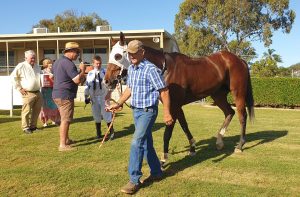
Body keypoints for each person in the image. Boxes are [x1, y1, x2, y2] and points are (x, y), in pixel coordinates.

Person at [107, 40, 174, 194]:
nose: (131, 56)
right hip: (136, 111)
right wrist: (118, 103)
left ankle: (134, 180)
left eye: (134, 53)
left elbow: (164, 91)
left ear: (142, 52)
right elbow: (129, 88)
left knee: (136, 142)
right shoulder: (131, 69)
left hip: (148, 111)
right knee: (146, 143)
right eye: (129, 53)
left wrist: (167, 112)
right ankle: (157, 172)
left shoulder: (151, 69)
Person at [52, 42, 86, 151]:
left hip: (57, 94)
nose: (78, 55)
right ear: (70, 51)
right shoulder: (69, 64)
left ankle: (66, 140)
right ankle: (63, 145)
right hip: (65, 95)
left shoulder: (57, 62)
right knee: (65, 120)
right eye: (77, 52)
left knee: (64, 119)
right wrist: (83, 70)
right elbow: (77, 80)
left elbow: (53, 77)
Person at [10, 50, 42, 134]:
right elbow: (13, 77)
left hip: (38, 92)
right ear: (26, 58)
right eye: (31, 58)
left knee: (36, 111)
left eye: (34, 57)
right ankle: (25, 128)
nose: (33, 59)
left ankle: (33, 126)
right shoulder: (21, 65)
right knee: (26, 111)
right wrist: (19, 88)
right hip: (28, 93)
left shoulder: (37, 66)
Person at [84, 55, 115, 140]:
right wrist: (86, 96)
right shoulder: (90, 74)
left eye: (100, 63)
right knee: (96, 115)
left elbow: (111, 84)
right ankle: (98, 133)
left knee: (107, 114)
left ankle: (111, 131)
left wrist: (109, 93)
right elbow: (87, 86)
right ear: (93, 64)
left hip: (103, 97)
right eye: (97, 63)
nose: (98, 65)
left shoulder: (105, 72)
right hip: (94, 97)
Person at [39, 58, 61, 127]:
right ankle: (45, 121)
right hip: (45, 91)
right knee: (45, 106)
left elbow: (57, 81)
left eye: (51, 63)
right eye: (49, 63)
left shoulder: (54, 72)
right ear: (46, 64)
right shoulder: (42, 72)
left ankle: (54, 120)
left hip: (52, 90)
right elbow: (40, 81)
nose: (51, 64)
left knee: (54, 106)